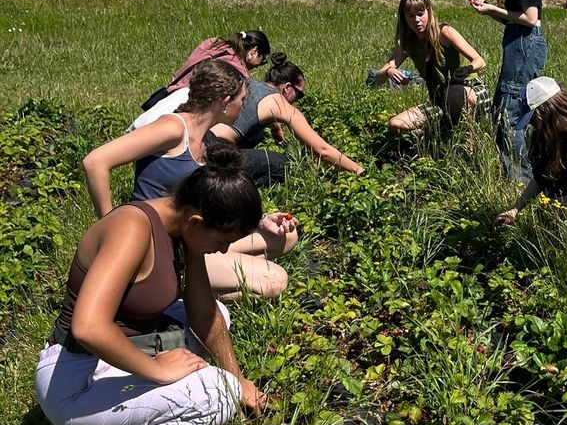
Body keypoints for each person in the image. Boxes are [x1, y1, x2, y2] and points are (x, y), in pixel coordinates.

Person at [35, 143, 268, 425]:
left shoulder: (180, 231)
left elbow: (204, 314)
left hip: (109, 357)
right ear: (196, 222)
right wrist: (157, 370)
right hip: (72, 380)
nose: (222, 252)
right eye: (221, 242)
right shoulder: (133, 228)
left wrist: (241, 378)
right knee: (217, 393)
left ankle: (147, 415)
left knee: (220, 318)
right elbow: (88, 327)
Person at [82, 61, 296, 300]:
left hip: (194, 236)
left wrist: (260, 221)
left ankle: (193, 279)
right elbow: (96, 161)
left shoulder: (207, 138)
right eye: (242, 100)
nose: (244, 107)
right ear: (225, 102)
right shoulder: (173, 128)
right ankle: (177, 289)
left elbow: (215, 202)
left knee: (285, 237)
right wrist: (114, 228)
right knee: (275, 281)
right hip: (160, 244)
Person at [495, 77, 567, 257]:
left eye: (533, 121)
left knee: (552, 211)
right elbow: (544, 176)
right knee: (548, 170)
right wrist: (515, 209)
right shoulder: (564, 130)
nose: (534, 127)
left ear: (544, 113)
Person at [210, 51, 365, 183]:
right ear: (288, 88)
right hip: (218, 154)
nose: (297, 101)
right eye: (300, 95)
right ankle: (233, 187)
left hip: (203, 142)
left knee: (257, 135)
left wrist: (275, 127)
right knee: (289, 165)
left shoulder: (251, 84)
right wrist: (359, 171)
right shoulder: (280, 104)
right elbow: (322, 150)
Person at [467, 0, 546, 173]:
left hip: (525, 43)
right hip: (515, 40)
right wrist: (487, 9)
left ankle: (522, 177)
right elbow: (510, 15)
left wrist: (492, 9)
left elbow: (530, 19)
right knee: (505, 108)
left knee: (509, 113)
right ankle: (527, 168)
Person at [372, 0, 488, 135]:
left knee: (453, 92)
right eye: (411, 16)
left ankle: (467, 140)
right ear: (405, 18)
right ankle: (437, 136)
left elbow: (480, 61)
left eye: (420, 14)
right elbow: (378, 77)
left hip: (469, 90)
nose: (416, 20)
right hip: (439, 99)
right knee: (396, 124)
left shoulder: (445, 33)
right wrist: (389, 71)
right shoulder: (408, 42)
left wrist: (468, 69)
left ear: (429, 13)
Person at [139, 30, 271, 113]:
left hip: (169, 93)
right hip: (185, 105)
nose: (260, 65)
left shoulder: (213, 43)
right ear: (253, 53)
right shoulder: (237, 70)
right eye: (262, 59)